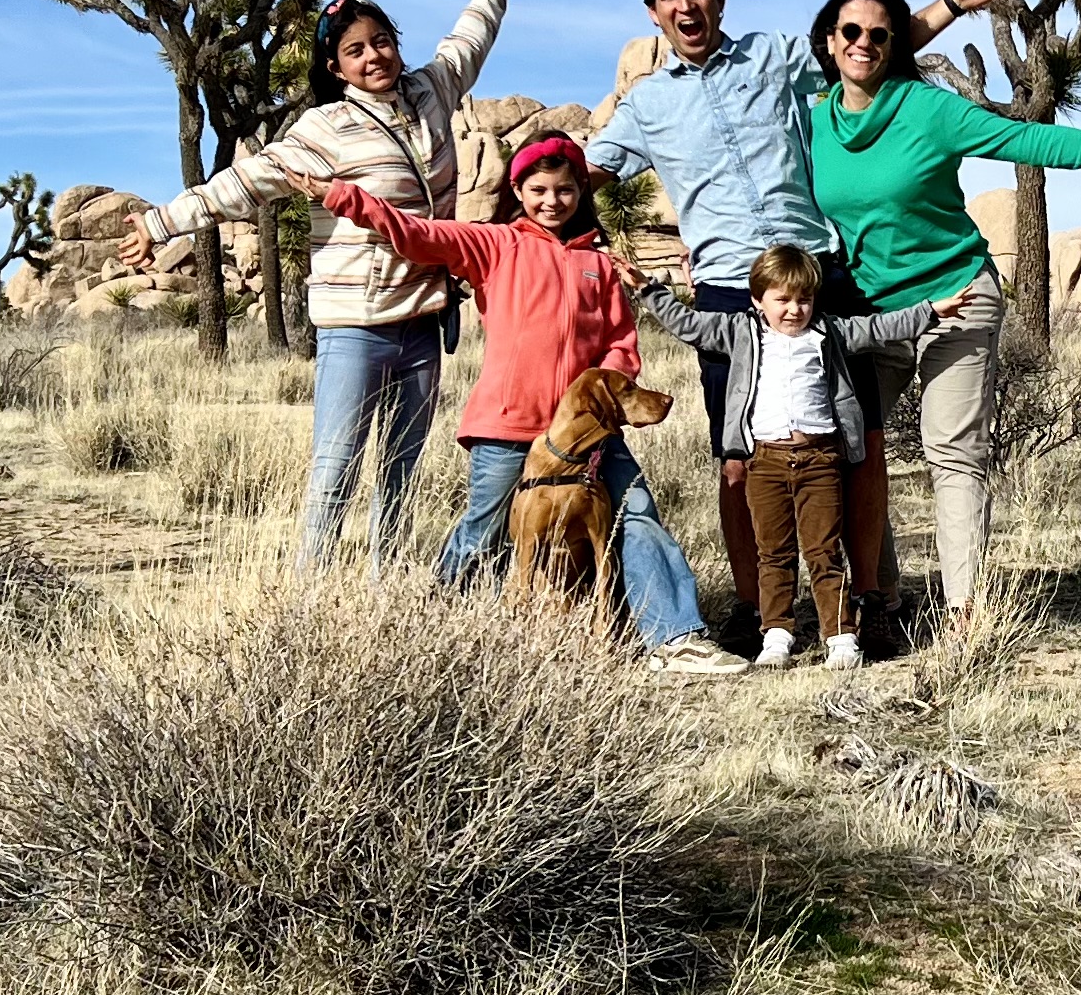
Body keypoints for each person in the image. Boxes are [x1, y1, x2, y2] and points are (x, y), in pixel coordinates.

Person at [584, 0, 1019, 641]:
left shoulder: (775, 55)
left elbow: (867, 47)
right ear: (652, 11)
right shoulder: (646, 106)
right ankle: (762, 611)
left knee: (858, 442)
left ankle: (873, 602)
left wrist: (953, 4)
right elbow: (581, 175)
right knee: (738, 459)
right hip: (730, 291)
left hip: (819, 272)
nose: (686, 5)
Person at [803, 0, 1081, 616]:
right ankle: (878, 598)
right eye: (851, 32)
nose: (864, 43)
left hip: (955, 294)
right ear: (829, 43)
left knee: (952, 453)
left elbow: (1029, 140)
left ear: (894, 45)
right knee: (854, 451)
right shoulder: (814, 116)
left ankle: (967, 613)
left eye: (880, 34)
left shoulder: (928, 108)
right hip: (871, 311)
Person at [280, 140, 745, 673]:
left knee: (635, 514)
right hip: (508, 424)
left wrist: (607, 394)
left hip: (588, 434)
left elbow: (620, 342)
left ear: (581, 193)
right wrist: (340, 194)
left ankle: (673, 638)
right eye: (539, 190)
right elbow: (416, 233)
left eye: (566, 189)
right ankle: (436, 627)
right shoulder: (496, 245)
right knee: (487, 526)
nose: (553, 201)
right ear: (519, 191)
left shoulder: (600, 264)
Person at [117, 0, 512, 567]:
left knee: (400, 476)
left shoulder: (432, 91)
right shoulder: (321, 131)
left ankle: (385, 593)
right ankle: (312, 596)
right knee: (335, 471)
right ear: (335, 67)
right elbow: (244, 184)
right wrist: (162, 222)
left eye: (381, 41)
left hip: (424, 317)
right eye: (354, 50)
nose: (373, 56)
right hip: (355, 324)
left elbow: (469, 41)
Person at [634, 243, 963, 669]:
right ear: (757, 300)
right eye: (782, 300)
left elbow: (882, 327)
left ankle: (841, 636)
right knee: (773, 553)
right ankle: (777, 634)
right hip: (765, 463)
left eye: (804, 299)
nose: (794, 310)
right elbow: (689, 324)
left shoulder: (830, 334)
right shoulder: (740, 332)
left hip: (820, 460)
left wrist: (931, 311)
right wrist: (649, 292)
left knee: (824, 551)